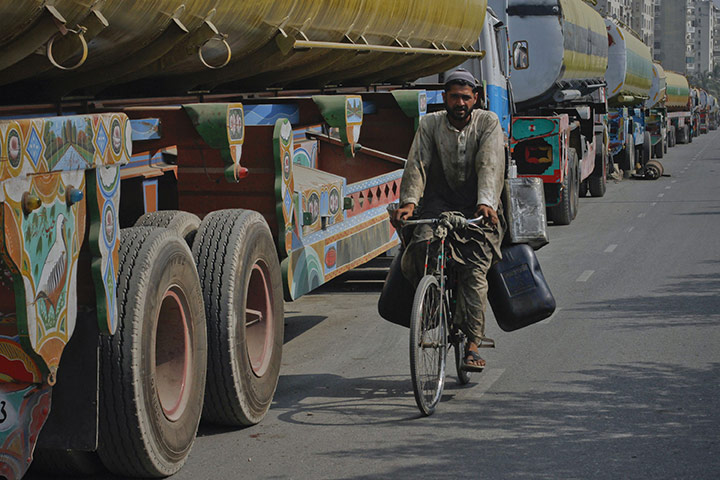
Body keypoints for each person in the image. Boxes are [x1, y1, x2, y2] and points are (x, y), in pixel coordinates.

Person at [390, 68, 505, 371]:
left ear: (476, 98)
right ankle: (430, 303)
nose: (460, 102)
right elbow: (417, 163)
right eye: (454, 96)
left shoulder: (487, 123)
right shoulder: (430, 124)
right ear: (445, 98)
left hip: (478, 209)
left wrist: (486, 203)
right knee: (419, 247)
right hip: (436, 206)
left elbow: (490, 163)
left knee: (475, 272)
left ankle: (472, 344)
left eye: (466, 97)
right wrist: (409, 203)